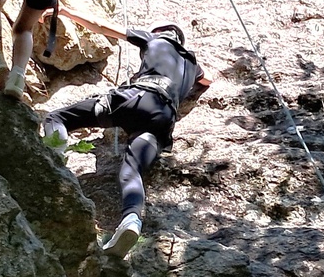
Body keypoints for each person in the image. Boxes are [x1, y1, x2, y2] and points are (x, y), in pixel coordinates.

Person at [42, 15, 212, 258]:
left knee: (57, 118)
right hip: (163, 118)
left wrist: (67, 13)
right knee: (132, 171)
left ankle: (52, 162)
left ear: (162, 31)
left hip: (136, 99)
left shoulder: (153, 39)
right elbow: (206, 80)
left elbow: (102, 27)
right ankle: (131, 221)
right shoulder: (193, 65)